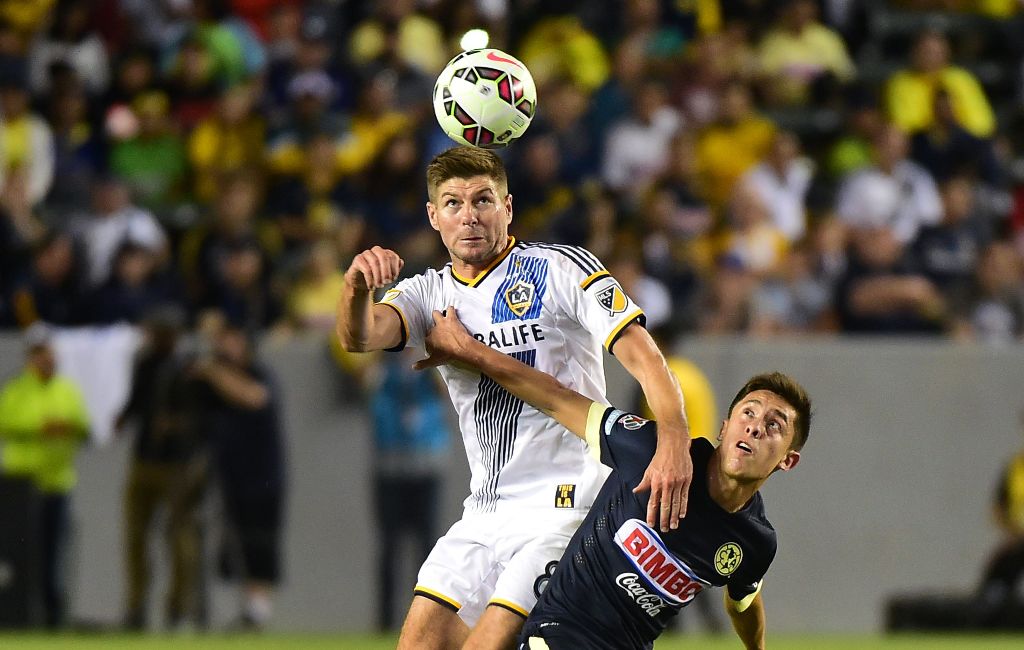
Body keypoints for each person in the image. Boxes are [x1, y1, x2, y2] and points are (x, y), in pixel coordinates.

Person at [336, 146, 692, 650]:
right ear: (434, 216)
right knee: (418, 642)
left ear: (507, 206)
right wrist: (355, 287)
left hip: (567, 506)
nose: (469, 216)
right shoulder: (428, 294)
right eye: (453, 203)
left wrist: (674, 439)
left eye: (483, 200)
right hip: (486, 509)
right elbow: (359, 337)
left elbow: (643, 355)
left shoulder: (561, 268)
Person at [416, 307, 811, 650]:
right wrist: (471, 351)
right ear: (725, 427)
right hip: (559, 632)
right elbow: (555, 398)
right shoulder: (649, 451)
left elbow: (744, 601)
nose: (755, 427)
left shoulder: (755, 541)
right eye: (748, 413)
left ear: (788, 460)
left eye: (774, 425)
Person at [116, 305, 207, 630]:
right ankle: (136, 605)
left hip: (177, 465)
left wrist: (176, 425)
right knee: (135, 536)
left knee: (180, 538)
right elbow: (138, 401)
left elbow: (203, 419)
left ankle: (178, 607)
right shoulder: (146, 363)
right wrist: (123, 416)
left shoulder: (190, 368)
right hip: (145, 458)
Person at [191, 321, 286, 631]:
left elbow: (253, 397)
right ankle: (247, 609)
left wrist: (212, 372)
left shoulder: (259, 373)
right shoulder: (212, 386)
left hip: (262, 477)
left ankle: (258, 610)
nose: (224, 346)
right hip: (231, 476)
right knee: (237, 547)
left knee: (260, 542)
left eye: (230, 339)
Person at [0, 324, 90, 628]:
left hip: (57, 482)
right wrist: (42, 427)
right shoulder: (16, 389)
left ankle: (53, 618)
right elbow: (6, 423)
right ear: (29, 356)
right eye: (39, 353)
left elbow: (83, 424)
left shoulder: (67, 389)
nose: (45, 358)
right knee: (20, 554)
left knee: (53, 554)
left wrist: (66, 427)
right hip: (21, 486)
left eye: (48, 352)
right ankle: (18, 615)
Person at [975, 409, 1024, 627]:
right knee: (999, 571)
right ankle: (989, 616)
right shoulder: (1015, 467)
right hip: (1018, 541)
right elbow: (998, 508)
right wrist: (1012, 531)